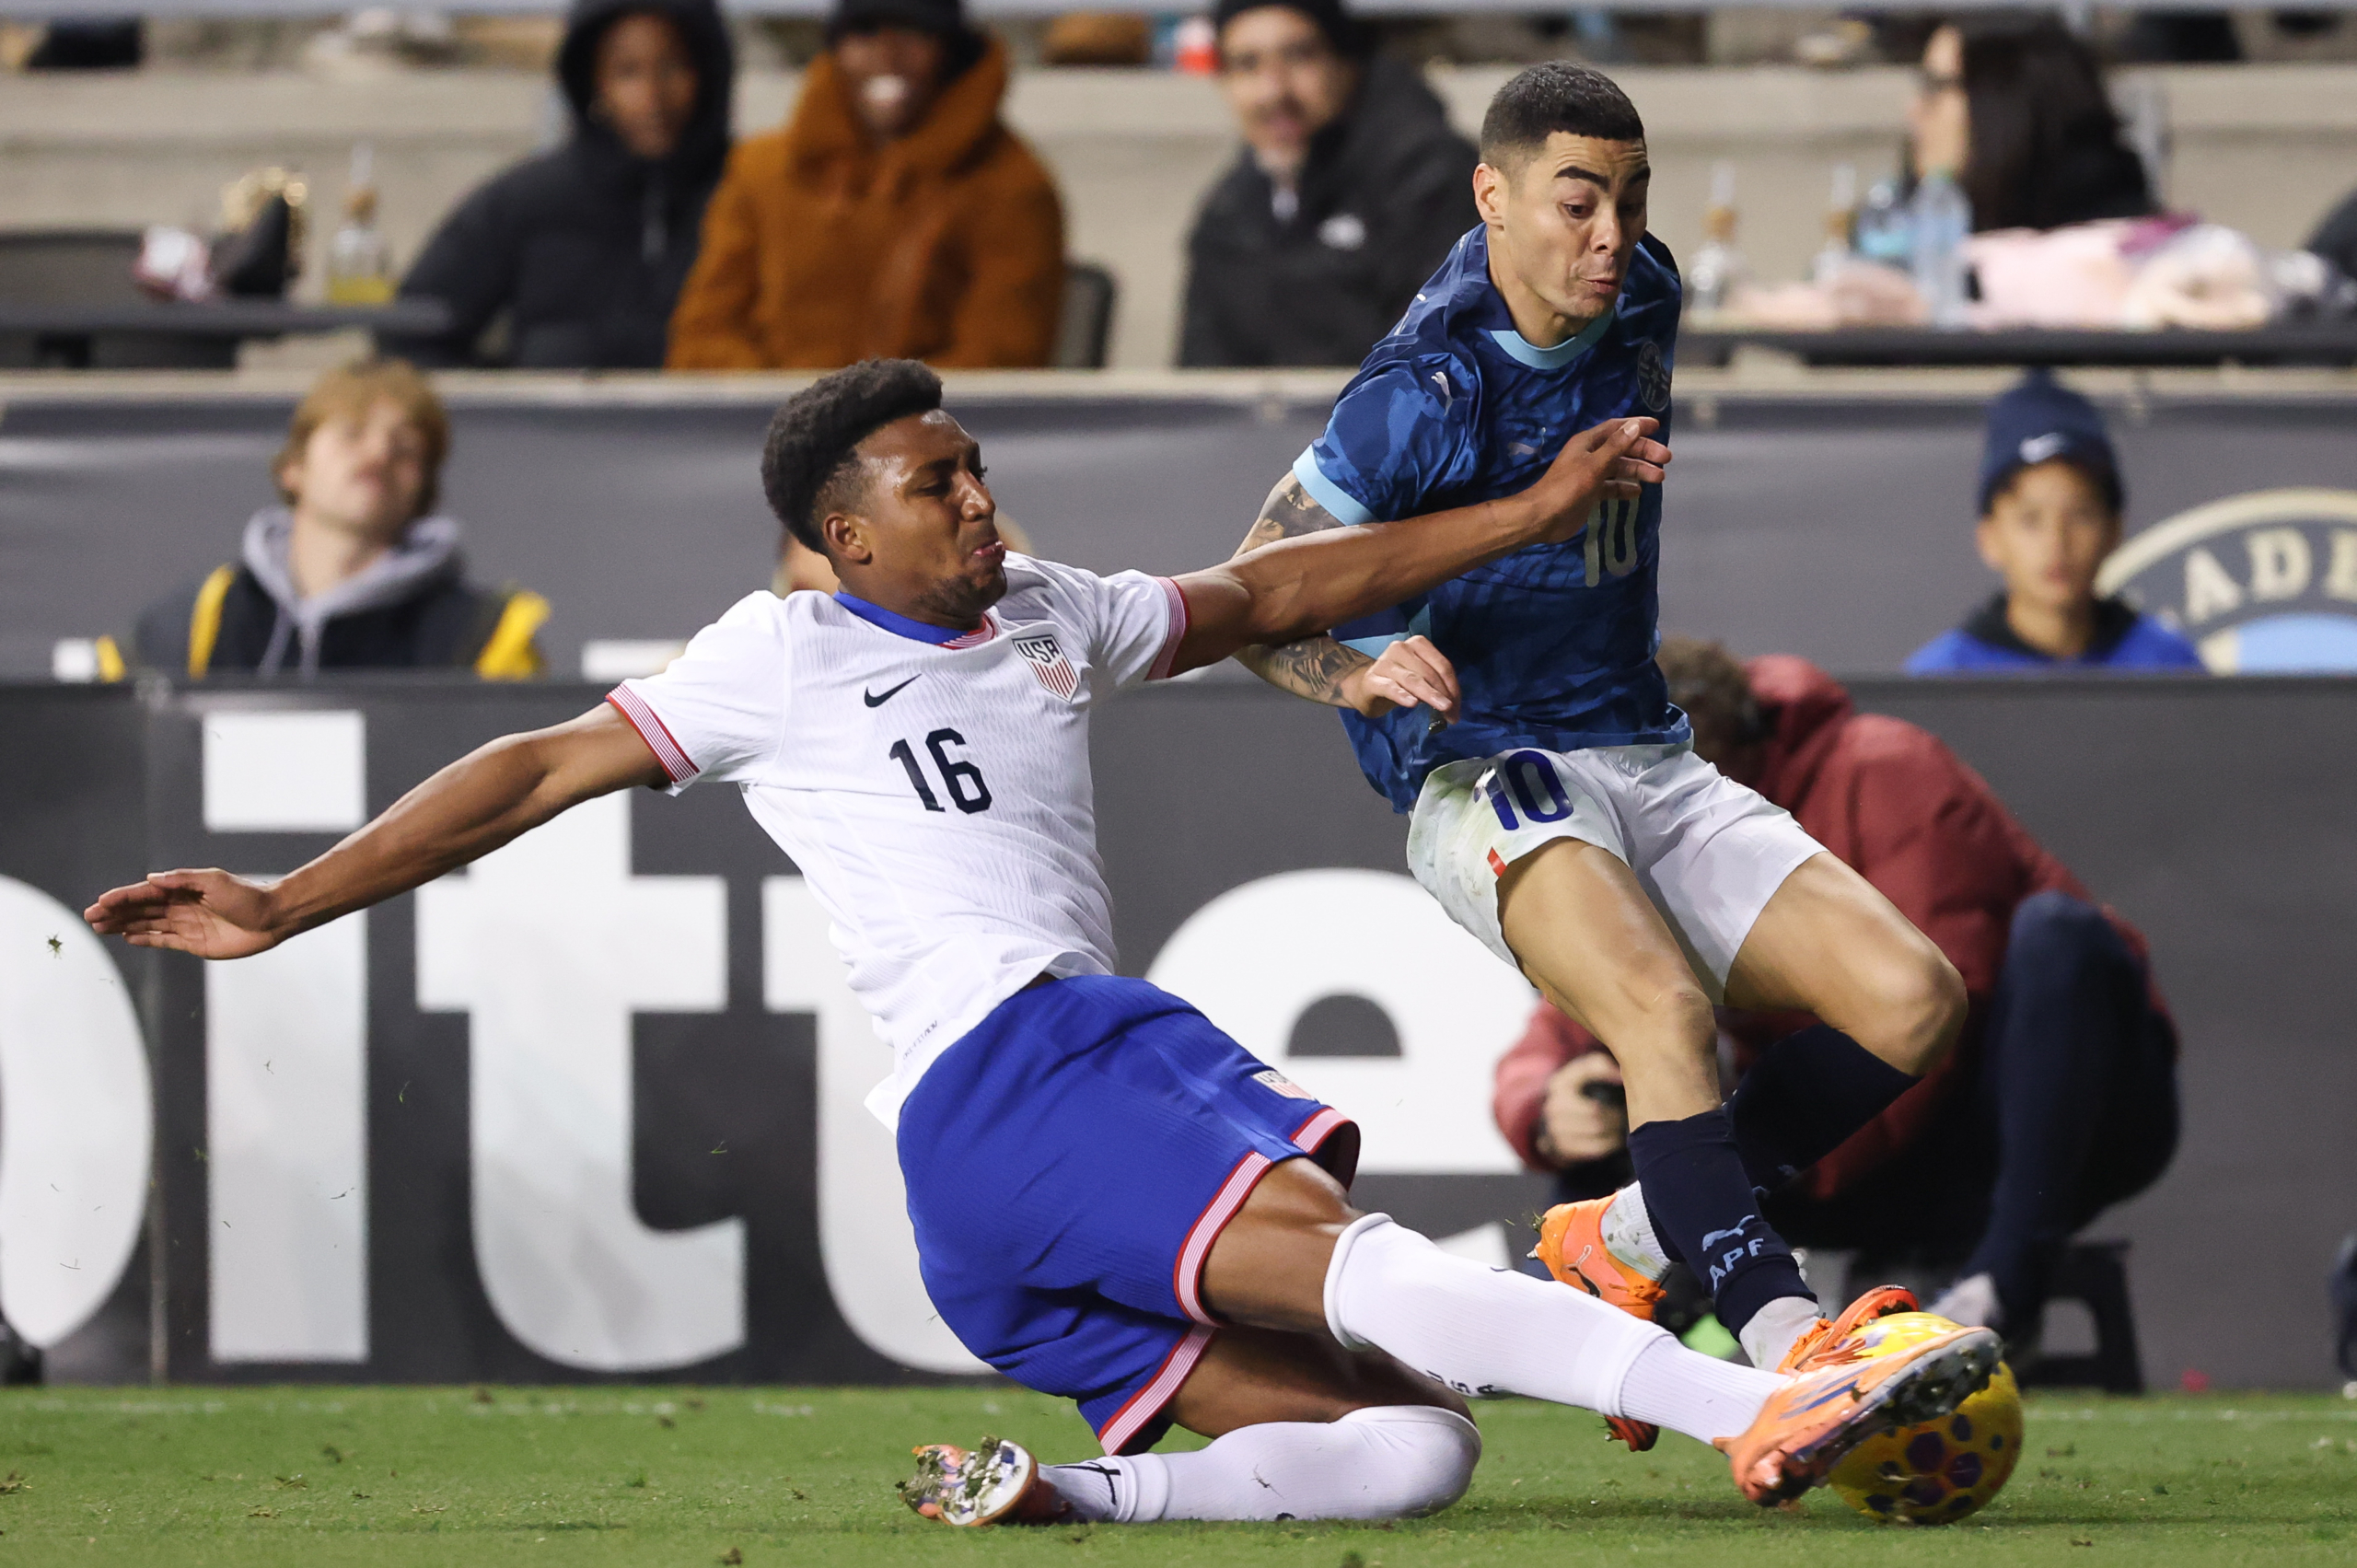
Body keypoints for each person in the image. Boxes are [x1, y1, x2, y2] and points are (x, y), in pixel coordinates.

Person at [87, 360, 1998, 1527]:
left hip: (983, 1188)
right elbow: (527, 769)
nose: (981, 496)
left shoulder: (1048, 609)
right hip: (1024, 1065)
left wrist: (1529, 509)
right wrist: (288, 897)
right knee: (1378, 1271)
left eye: (978, 462)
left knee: (1417, 1449)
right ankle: (1765, 1401)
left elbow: (1280, 585)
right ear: (842, 535)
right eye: (936, 483)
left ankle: (1075, 1495)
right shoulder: (779, 654)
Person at [1225, 63, 1977, 1438]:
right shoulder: (1423, 389)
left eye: (1631, 200)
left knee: (1913, 997)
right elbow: (1252, 597)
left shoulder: (1648, 292)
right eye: (1577, 203)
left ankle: (1621, 1240)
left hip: (1646, 747)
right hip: (1487, 769)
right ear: (1491, 196)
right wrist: (1357, 669)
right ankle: (1787, 1352)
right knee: (1662, 1015)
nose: (1611, 236)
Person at [1499, 639, 2182, 1347]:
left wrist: (1735, 1163)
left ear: (1719, 752)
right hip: (1820, 1148)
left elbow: (1933, 1018)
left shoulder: (1882, 766)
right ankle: (1592, 1335)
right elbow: (1553, 1036)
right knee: (1618, 1084)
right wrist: (1550, 1107)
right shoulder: (1631, 836)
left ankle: (2002, 1292)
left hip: (2005, 1128)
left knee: (2060, 937)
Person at [666, 0, 1063, 370]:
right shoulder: (762, 172)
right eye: (865, 33)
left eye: (912, 32)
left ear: (950, 51)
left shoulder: (1013, 188)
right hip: (771, 421)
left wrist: (876, 412)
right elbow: (703, 334)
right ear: (836, 48)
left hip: (925, 423)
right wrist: (790, 409)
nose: (887, 56)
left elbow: (1000, 361)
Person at [121, 359, 546, 680]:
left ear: (424, 492)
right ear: (293, 468)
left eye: (404, 450)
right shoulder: (200, 620)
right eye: (352, 433)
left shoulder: (486, 640)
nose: (378, 455)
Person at [381, 0, 735, 369]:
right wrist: (515, 394)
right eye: (627, 71)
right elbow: (409, 332)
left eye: (674, 66)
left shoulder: (749, 193)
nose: (652, 97)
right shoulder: (526, 200)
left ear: (709, 72)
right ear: (593, 80)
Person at [1178, 0, 1478, 368]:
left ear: (1347, 63)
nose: (1273, 91)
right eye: (1247, 64)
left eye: (1298, 57)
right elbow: (1198, 379)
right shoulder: (1228, 212)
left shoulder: (1430, 178)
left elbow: (1433, 363)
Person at [1906, 370, 2203, 673]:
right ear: (1989, 538)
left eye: (2081, 515)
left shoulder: (2169, 664)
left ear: (2114, 530)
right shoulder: (1942, 676)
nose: (2056, 541)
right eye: (2030, 520)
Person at [1908, 16, 2154, 235]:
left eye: (1936, 88)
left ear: (2001, 101)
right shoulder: (1914, 222)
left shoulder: (2118, 244)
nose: (1915, 112)